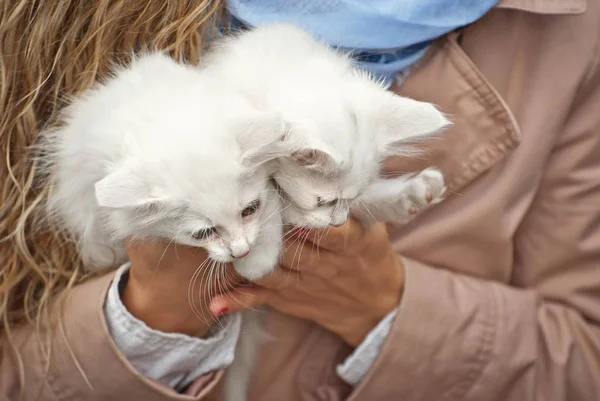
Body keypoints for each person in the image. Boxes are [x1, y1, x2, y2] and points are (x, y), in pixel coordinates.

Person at [1, 0, 599, 400]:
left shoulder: (568, 35)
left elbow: (582, 364)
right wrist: (151, 317)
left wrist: (384, 304)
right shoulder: (48, 22)